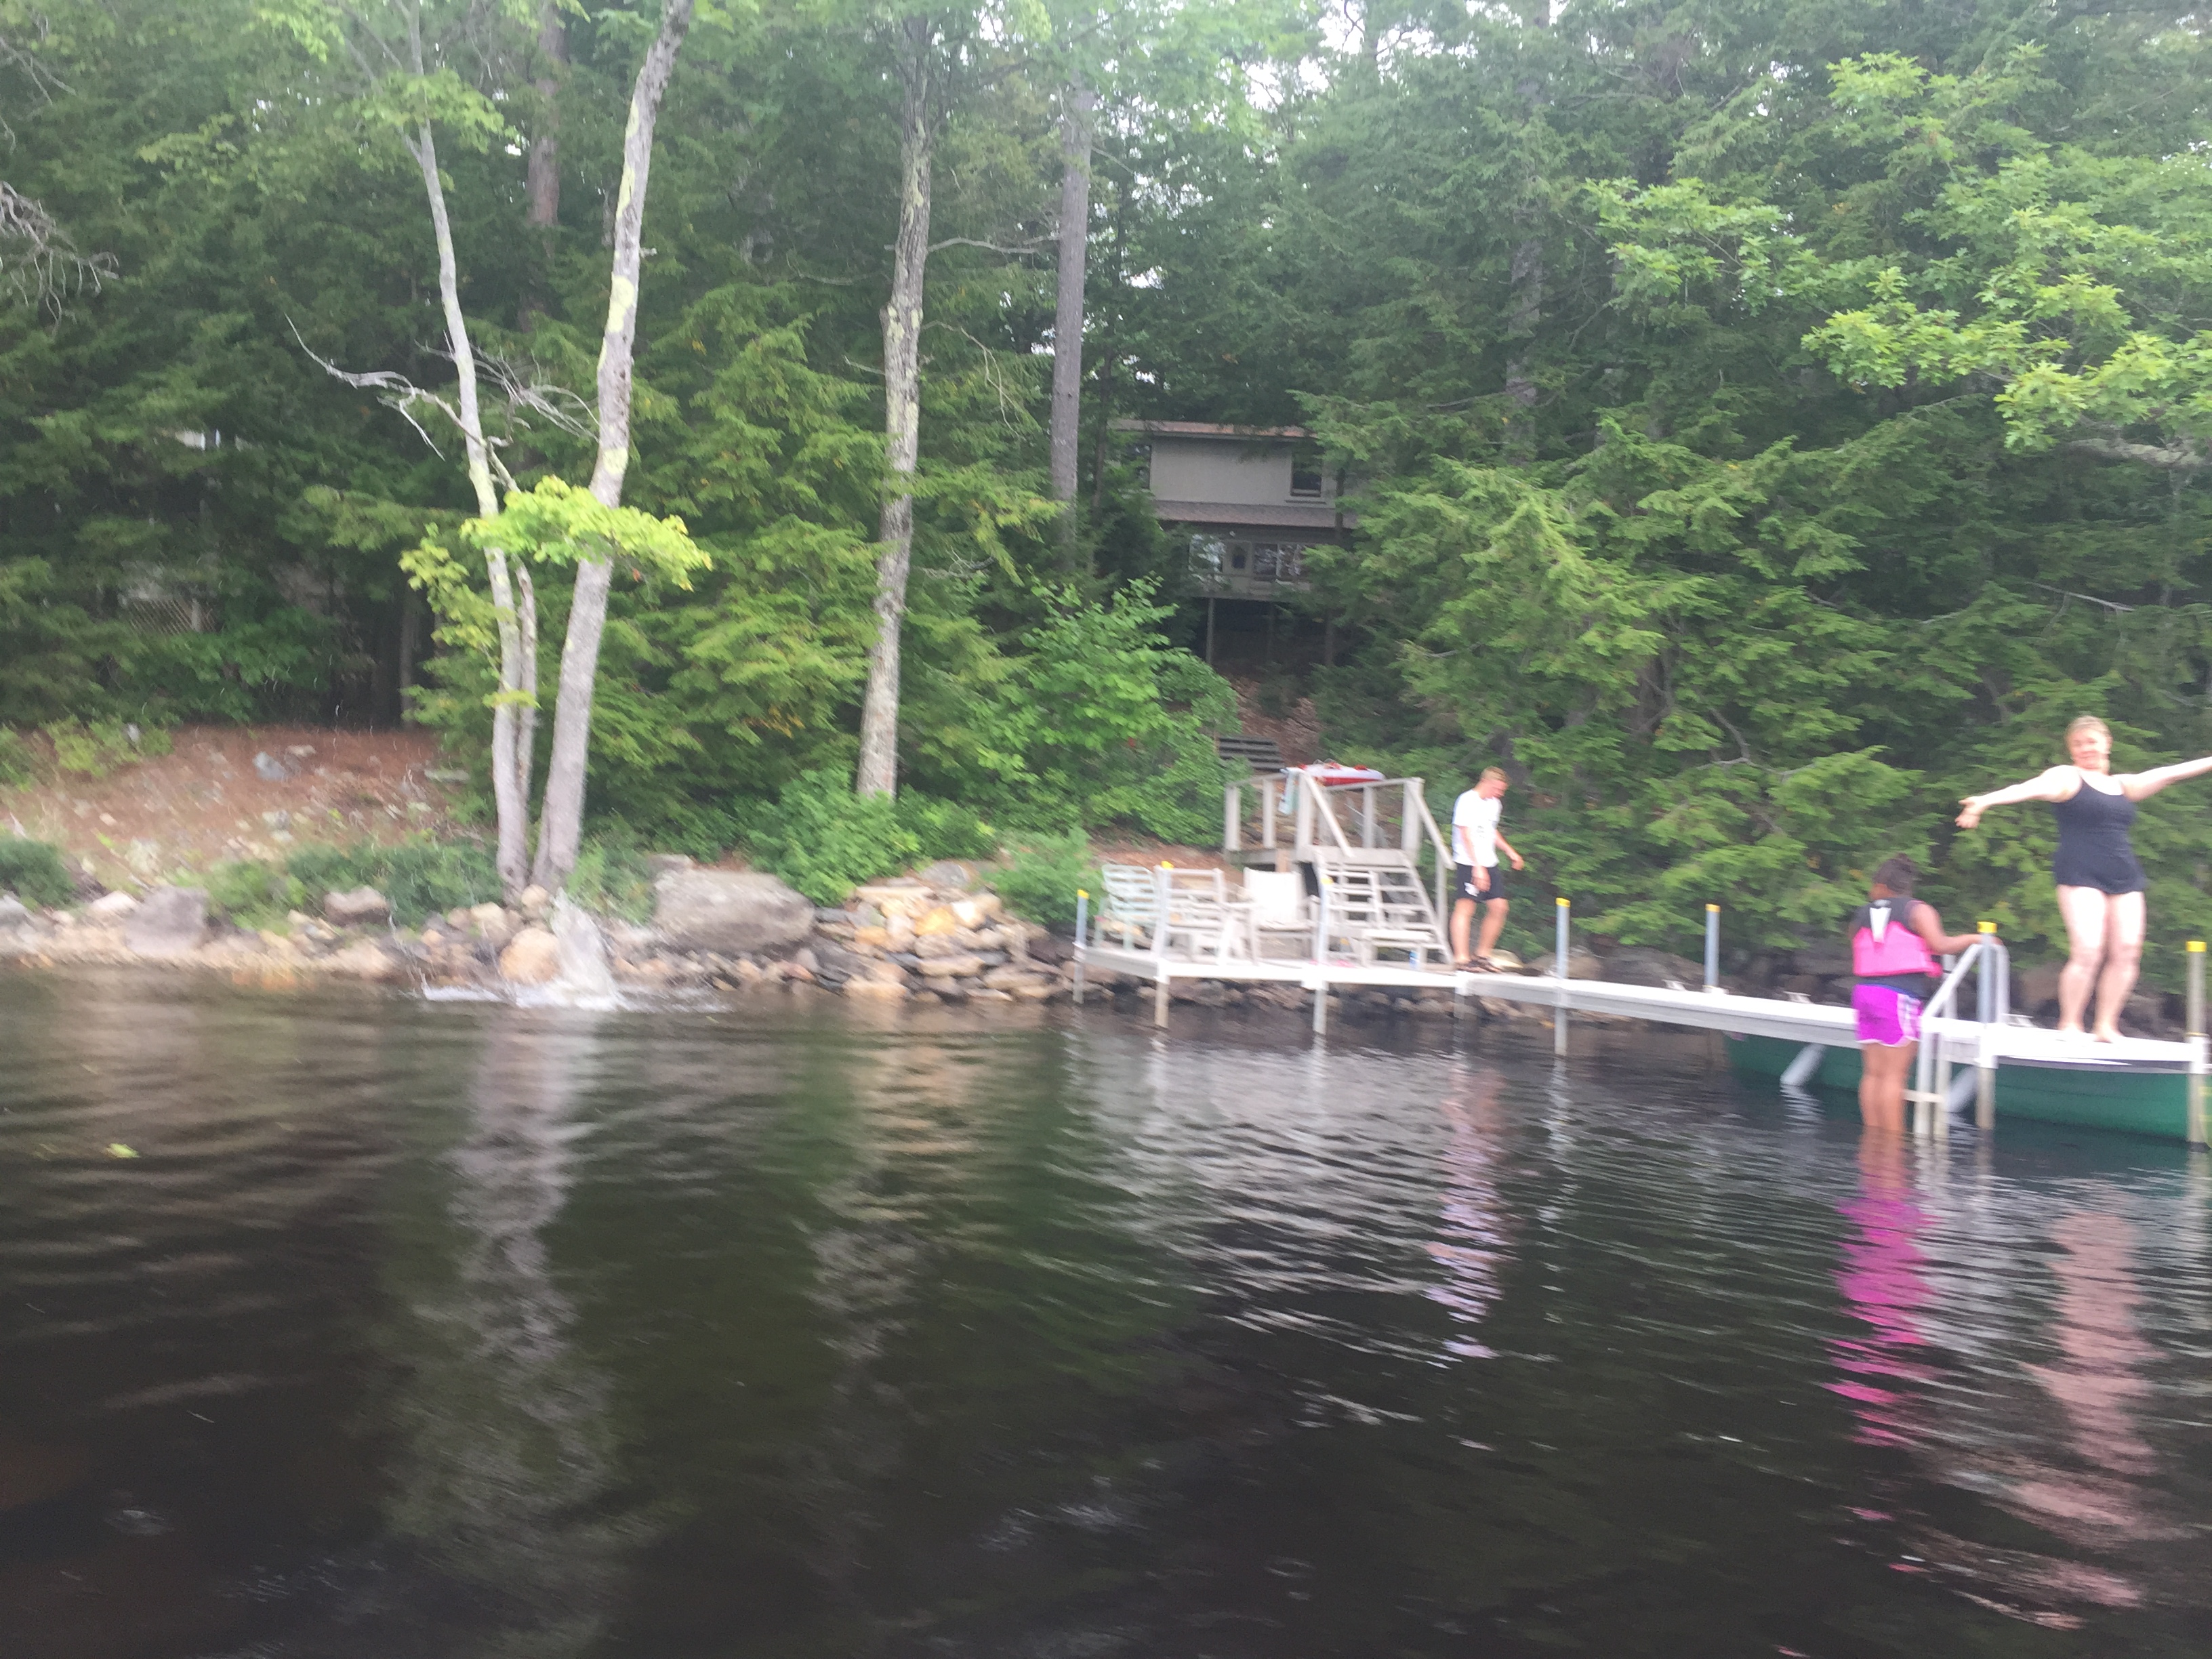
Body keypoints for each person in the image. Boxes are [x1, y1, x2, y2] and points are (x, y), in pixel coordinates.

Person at [1956, 714, 2212, 1041]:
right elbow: (2028, 789)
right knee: (2088, 949)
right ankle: (2070, 1022)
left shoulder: (2123, 785)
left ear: (2107, 743)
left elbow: (2170, 773)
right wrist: (1985, 801)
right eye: (2078, 744)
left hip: (2123, 873)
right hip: (2081, 871)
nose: (2085, 748)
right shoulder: (2067, 777)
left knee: (2127, 950)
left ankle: (2106, 1025)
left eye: (2091, 741)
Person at [1849, 855, 1983, 1131]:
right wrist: (1976, 939)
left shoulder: (1862, 914)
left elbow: (1865, 944)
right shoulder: (1917, 910)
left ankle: (1873, 1138)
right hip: (1897, 996)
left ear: (1880, 885)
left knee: (1873, 1073)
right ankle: (1892, 1142)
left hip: (1864, 994)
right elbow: (1940, 945)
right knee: (1895, 1076)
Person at [1450, 767, 1524, 970]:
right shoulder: (1467, 800)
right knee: (1466, 907)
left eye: (1502, 790)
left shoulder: (1494, 804)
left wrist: (1510, 852)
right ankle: (1461, 958)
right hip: (1469, 861)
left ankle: (1482, 955)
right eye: (1497, 789)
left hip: (1489, 861)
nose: (1499, 794)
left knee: (1499, 907)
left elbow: (1491, 831)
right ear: (1486, 783)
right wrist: (1477, 867)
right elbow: (1465, 835)